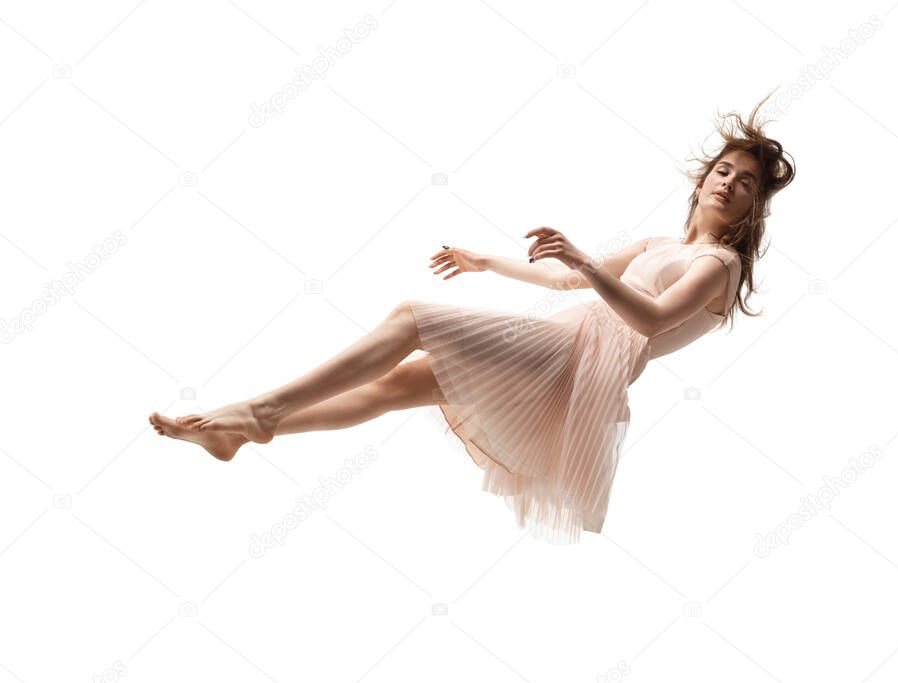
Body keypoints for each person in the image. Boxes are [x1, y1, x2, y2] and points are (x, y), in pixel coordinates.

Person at [149, 94, 795, 544]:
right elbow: (566, 276)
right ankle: (247, 433)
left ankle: (256, 413)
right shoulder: (664, 245)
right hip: (570, 348)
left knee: (411, 316)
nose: (728, 182)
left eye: (744, 183)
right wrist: (486, 260)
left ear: (752, 210)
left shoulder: (718, 267)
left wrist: (587, 262)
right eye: (724, 169)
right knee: (402, 384)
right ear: (703, 176)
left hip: (580, 362)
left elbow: (649, 317)